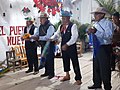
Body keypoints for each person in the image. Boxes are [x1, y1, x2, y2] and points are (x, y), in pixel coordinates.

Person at [50, 10, 82, 85]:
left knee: (75, 62)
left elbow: (74, 37)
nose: (63, 20)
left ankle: (78, 78)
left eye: (64, 18)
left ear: (68, 18)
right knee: (65, 61)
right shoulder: (61, 26)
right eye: (62, 18)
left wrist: (67, 44)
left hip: (71, 47)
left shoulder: (73, 26)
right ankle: (67, 75)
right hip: (63, 47)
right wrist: (51, 38)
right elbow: (57, 34)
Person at [87, 7, 114, 90]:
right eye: (95, 14)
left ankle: (107, 86)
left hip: (104, 47)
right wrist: (89, 33)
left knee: (104, 68)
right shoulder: (95, 24)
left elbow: (109, 36)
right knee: (96, 66)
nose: (95, 15)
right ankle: (97, 83)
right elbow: (93, 35)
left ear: (102, 14)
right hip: (96, 47)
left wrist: (96, 32)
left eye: (97, 13)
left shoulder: (107, 23)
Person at [30, 12, 56, 79]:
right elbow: (36, 34)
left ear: (46, 19)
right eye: (40, 18)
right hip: (43, 45)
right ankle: (46, 72)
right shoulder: (40, 26)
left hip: (50, 45)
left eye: (42, 18)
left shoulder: (50, 26)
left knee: (50, 59)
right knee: (45, 59)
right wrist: (30, 37)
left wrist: (39, 38)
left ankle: (51, 73)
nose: (40, 20)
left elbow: (48, 37)